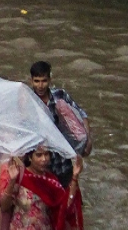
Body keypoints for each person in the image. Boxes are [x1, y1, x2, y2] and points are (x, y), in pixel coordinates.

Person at [29, 61, 93, 189]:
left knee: (67, 200)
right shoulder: (27, 100)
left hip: (62, 162)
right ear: (31, 81)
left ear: (50, 80)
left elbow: (82, 115)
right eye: (37, 81)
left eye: (44, 81)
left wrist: (88, 139)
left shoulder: (60, 95)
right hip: (38, 164)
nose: (40, 86)